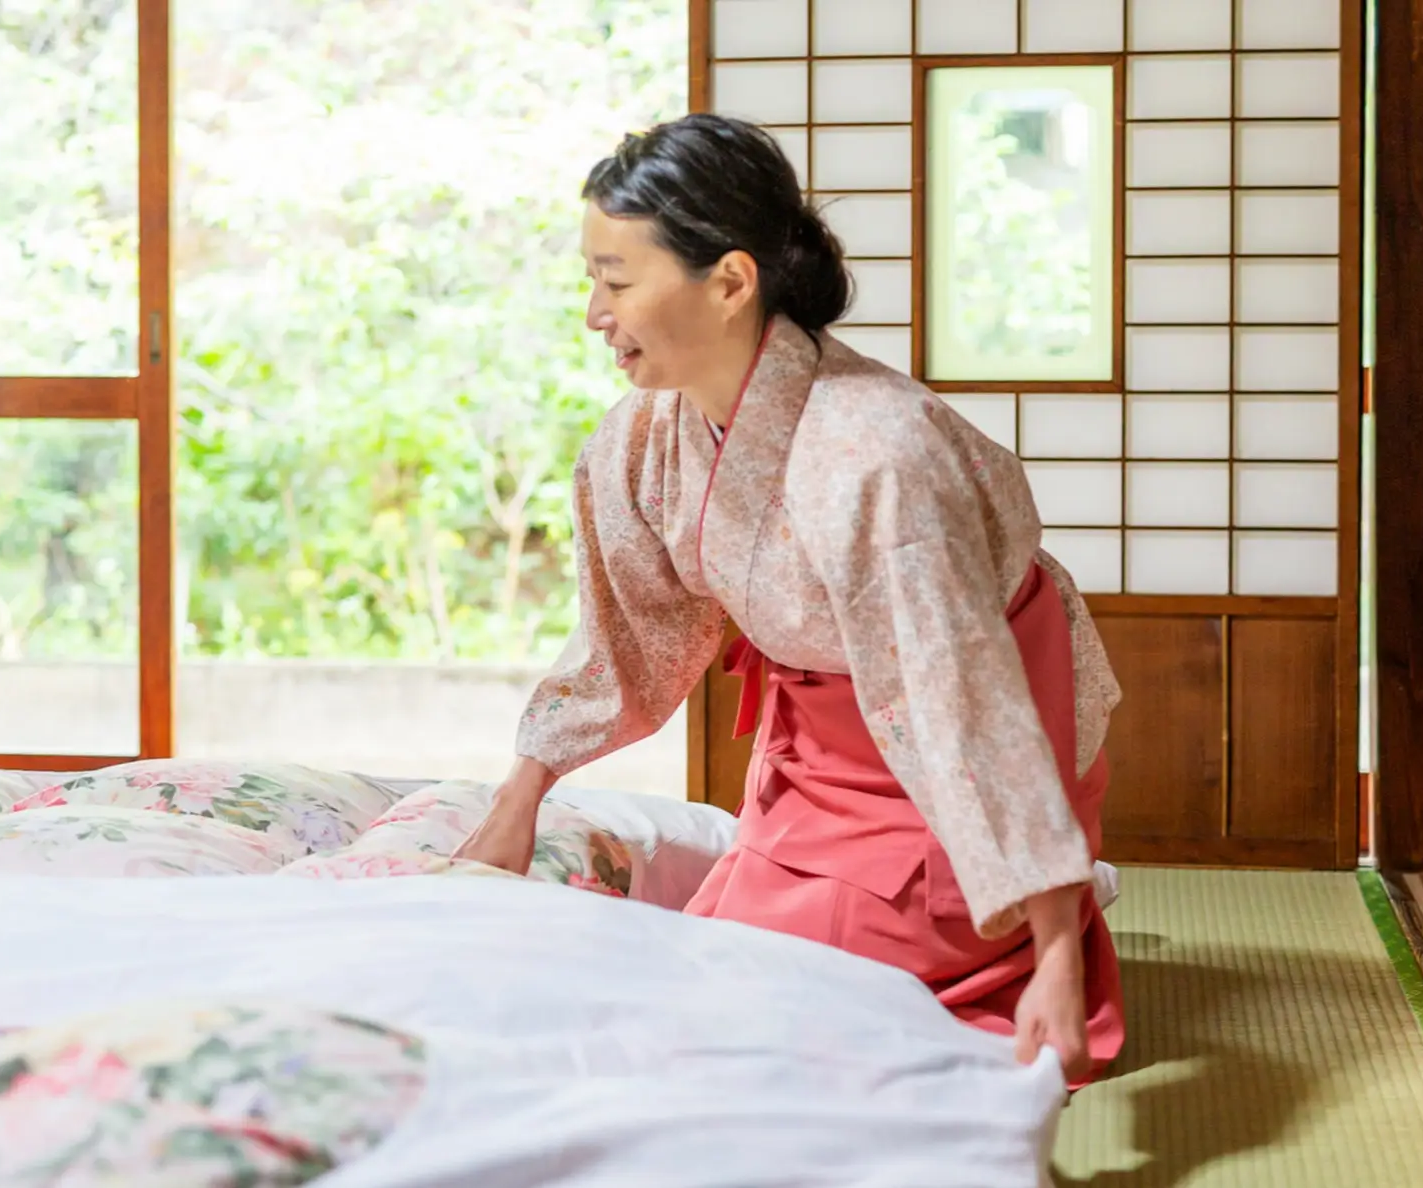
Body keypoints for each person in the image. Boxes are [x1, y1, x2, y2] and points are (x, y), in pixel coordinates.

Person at [454, 112, 1124, 1087]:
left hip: (965, 752)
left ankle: (1046, 914)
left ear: (729, 282)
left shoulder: (876, 453)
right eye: (590, 281)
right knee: (714, 976)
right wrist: (521, 798)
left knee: (774, 1016)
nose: (595, 314)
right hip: (819, 761)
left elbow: (960, 704)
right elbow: (628, 640)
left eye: (615, 281)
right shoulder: (640, 443)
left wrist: (1056, 950)